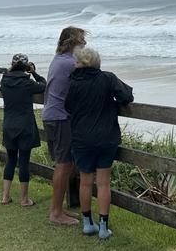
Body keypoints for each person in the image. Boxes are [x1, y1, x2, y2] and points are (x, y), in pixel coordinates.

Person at [64, 47, 133, 239]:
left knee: (85, 182)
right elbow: (127, 96)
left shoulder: (73, 82)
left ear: (80, 63)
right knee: (103, 183)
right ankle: (103, 227)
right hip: (105, 137)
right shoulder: (107, 78)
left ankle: (87, 223)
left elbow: (67, 106)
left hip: (81, 138)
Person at [42, 26, 86, 225]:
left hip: (53, 115)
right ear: (71, 43)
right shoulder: (70, 63)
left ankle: (58, 210)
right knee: (64, 164)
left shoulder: (58, 60)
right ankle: (56, 213)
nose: (84, 45)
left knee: (64, 163)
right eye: (81, 41)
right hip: (60, 117)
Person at [0, 54, 46, 206]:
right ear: (26, 67)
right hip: (25, 125)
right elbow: (43, 84)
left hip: (8, 124)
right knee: (24, 161)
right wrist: (33, 72)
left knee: (11, 160)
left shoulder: (4, 80)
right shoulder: (27, 83)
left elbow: (8, 74)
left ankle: (5, 197)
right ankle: (24, 199)